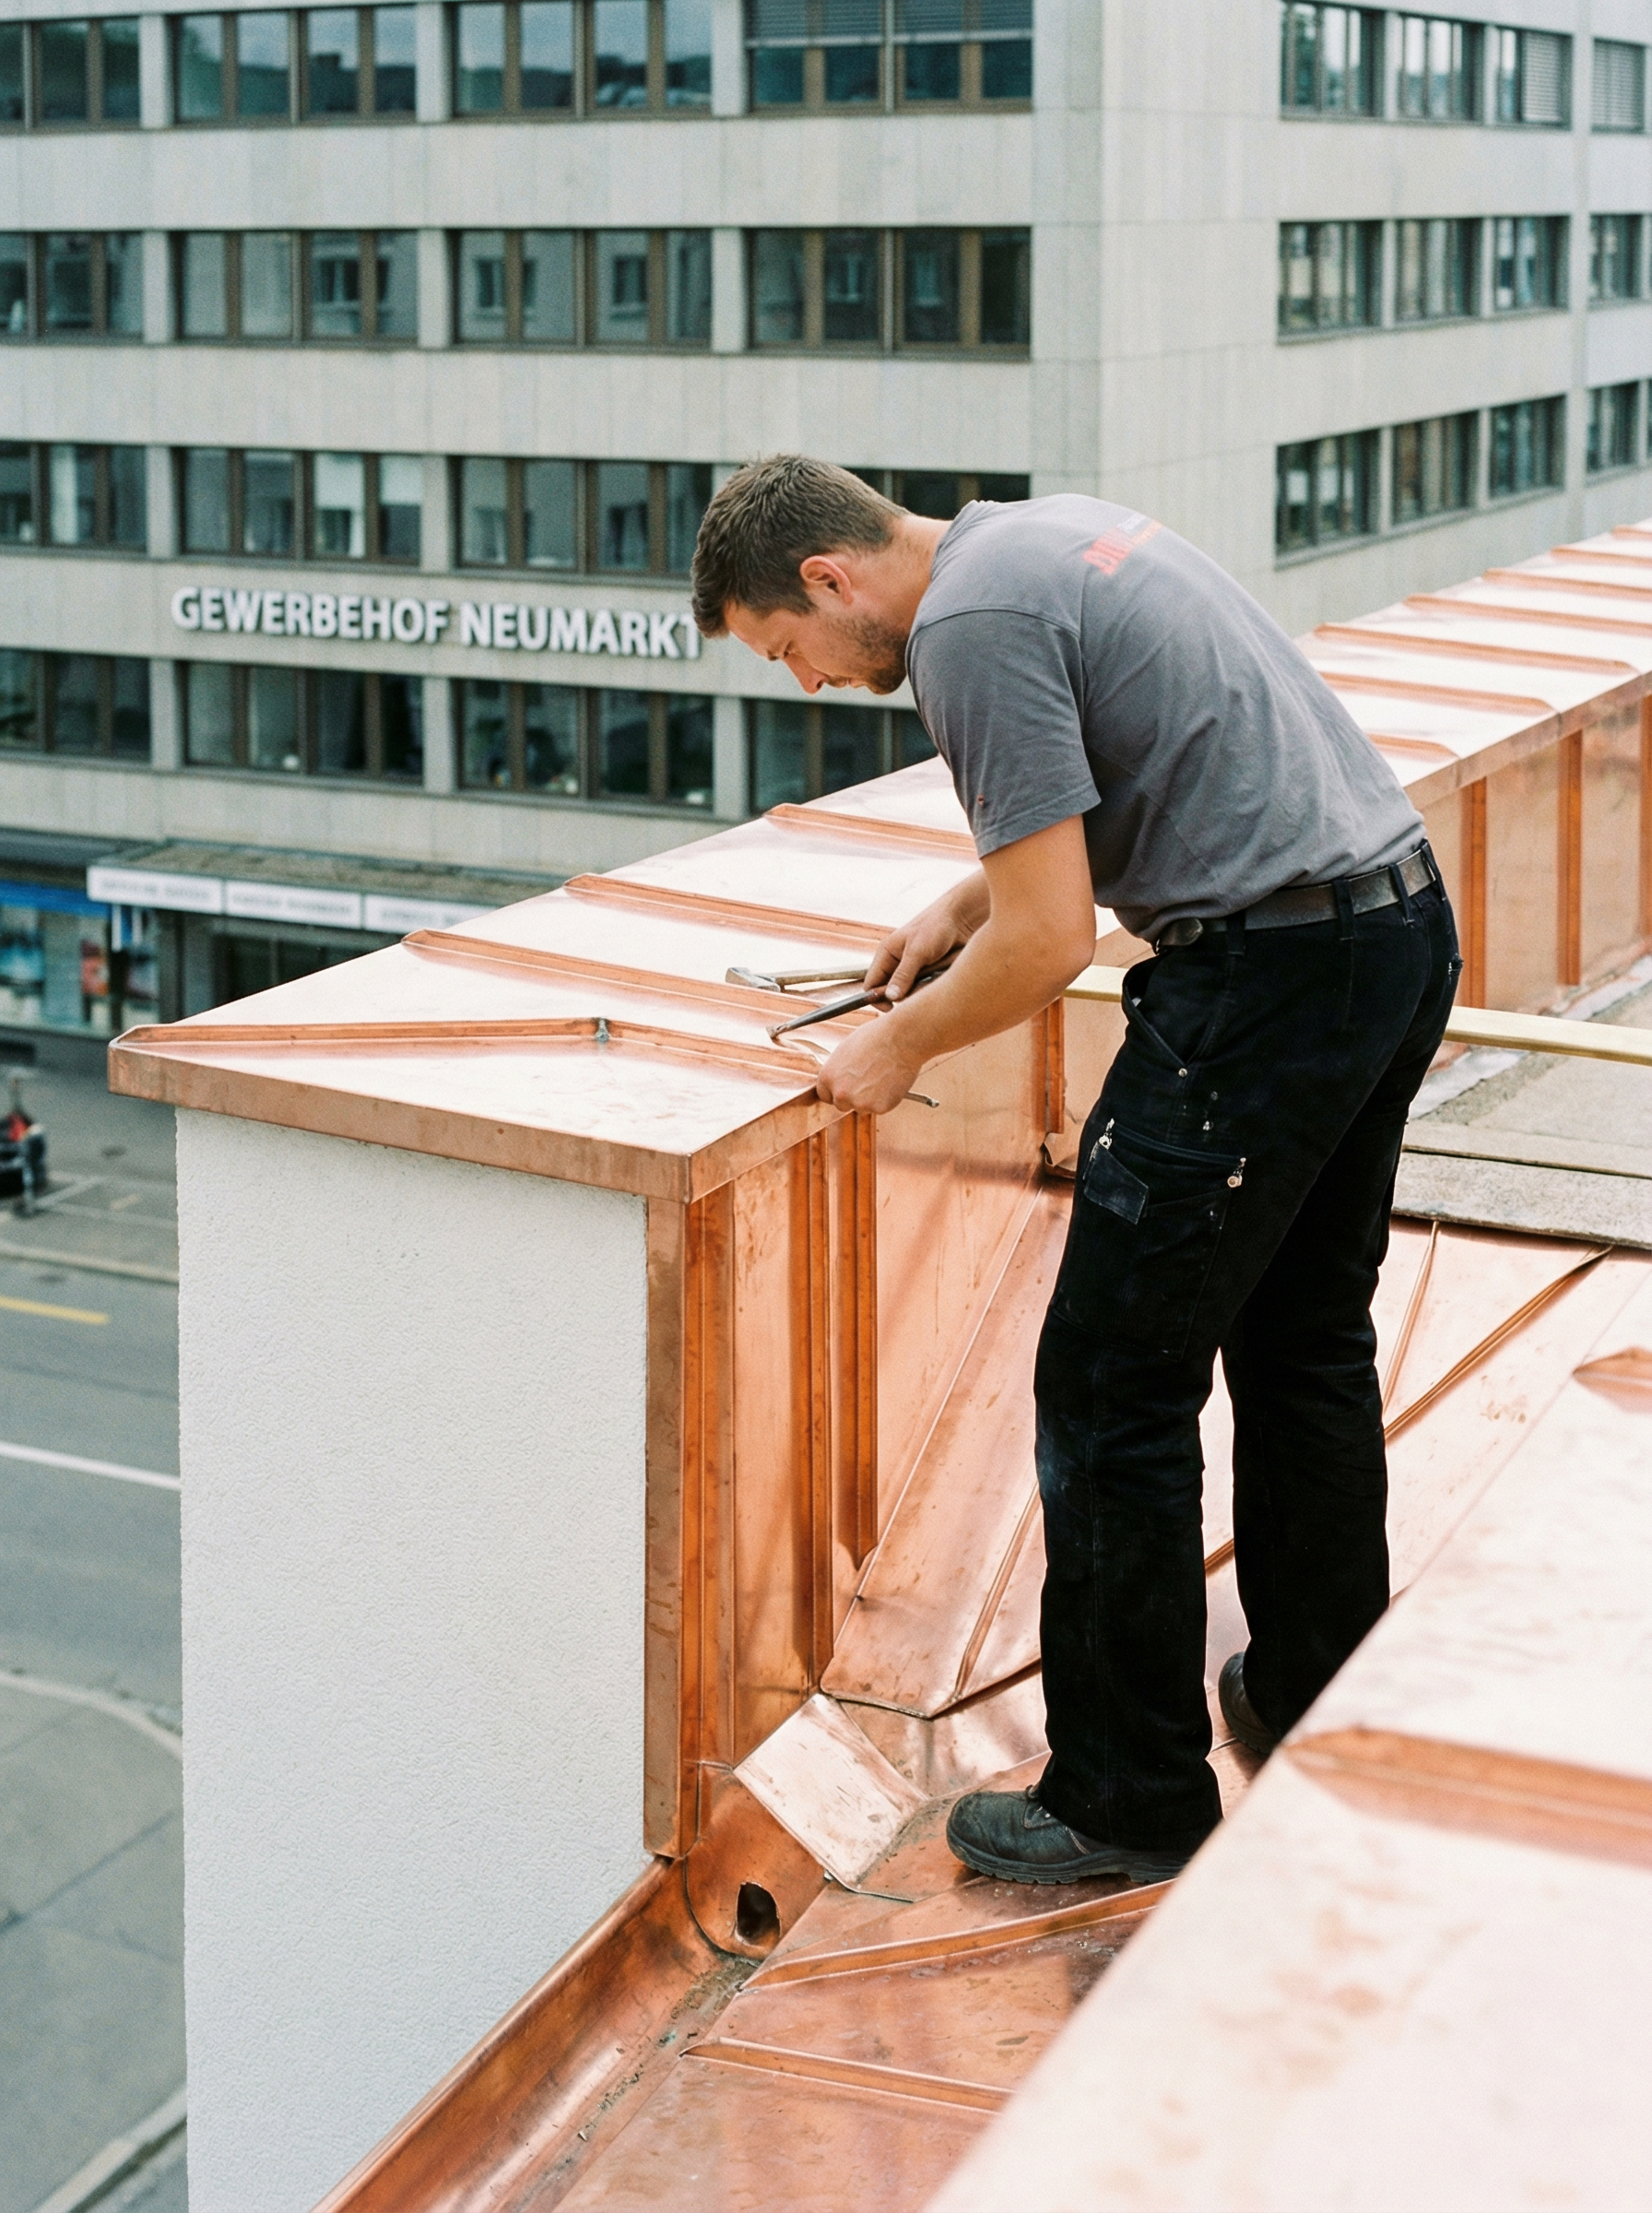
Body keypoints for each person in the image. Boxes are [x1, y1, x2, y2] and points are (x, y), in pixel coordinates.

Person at [690, 456, 1458, 1888]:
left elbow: (1052, 943)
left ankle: (1127, 1795)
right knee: (1301, 1339)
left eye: (787, 647)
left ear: (827, 578)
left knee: (1111, 1386)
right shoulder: (1042, 540)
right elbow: (1124, 784)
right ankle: (1315, 1693)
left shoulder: (961, 632)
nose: (806, 680)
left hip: (1268, 986)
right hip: (1391, 930)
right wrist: (962, 902)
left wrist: (900, 1044)